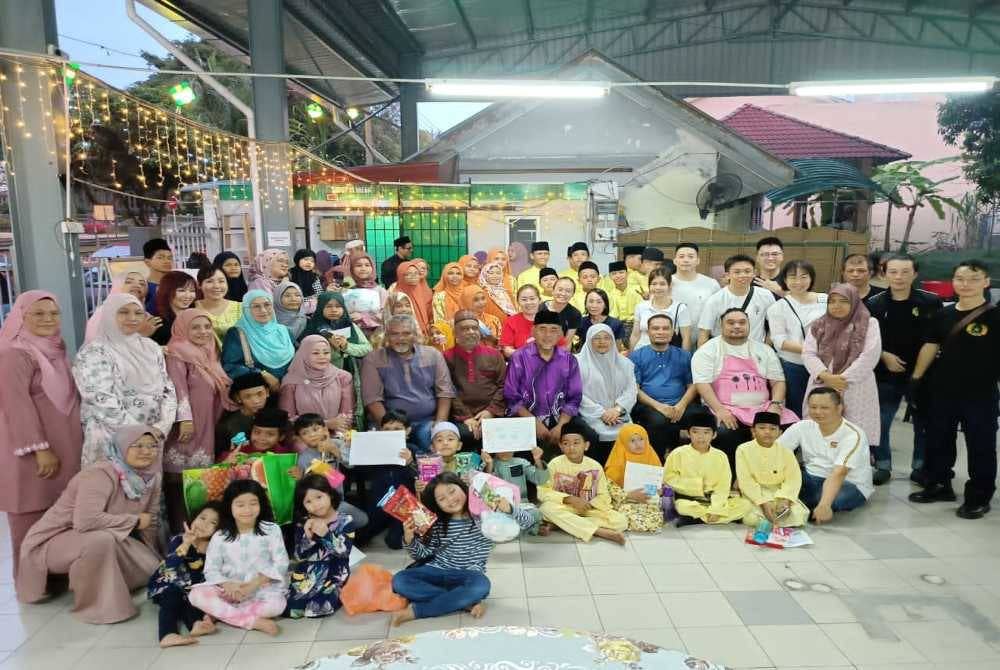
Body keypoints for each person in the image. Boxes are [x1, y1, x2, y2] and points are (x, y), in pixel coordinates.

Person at [17, 426, 162, 623]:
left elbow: (150, 522)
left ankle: (105, 583)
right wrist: (134, 521)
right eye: (138, 445)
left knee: (155, 569)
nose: (146, 451)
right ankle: (99, 607)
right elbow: (86, 521)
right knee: (100, 540)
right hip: (54, 541)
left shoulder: (151, 477)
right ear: (121, 447)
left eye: (152, 446)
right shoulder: (99, 474)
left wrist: (158, 557)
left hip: (108, 534)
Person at [0, 291, 83, 581]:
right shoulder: (14, 353)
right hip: (33, 450)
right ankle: (31, 582)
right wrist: (40, 449)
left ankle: (54, 575)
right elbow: (15, 405)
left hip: (66, 443)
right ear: (21, 317)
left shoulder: (56, 348)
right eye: (38, 314)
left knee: (58, 512)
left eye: (53, 313)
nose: (48, 319)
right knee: (30, 514)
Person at [909, 259, 1000, 519]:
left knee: (981, 445)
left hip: (980, 395)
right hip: (942, 391)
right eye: (960, 279)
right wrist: (916, 378)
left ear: (986, 282)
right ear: (953, 282)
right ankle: (939, 484)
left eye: (973, 279)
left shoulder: (995, 316)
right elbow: (930, 345)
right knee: (938, 439)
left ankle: (979, 496)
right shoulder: (943, 314)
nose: (966, 284)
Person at [391, 471, 535, 626]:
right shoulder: (435, 522)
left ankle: (419, 611)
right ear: (437, 504)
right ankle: (465, 602)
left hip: (469, 574)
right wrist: (409, 539)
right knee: (400, 580)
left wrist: (510, 509)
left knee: (481, 586)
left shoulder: (484, 516)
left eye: (452, 491)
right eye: (442, 499)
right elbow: (422, 555)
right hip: (436, 570)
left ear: (462, 487)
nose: (450, 499)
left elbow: (529, 522)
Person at [73, 293, 177, 466]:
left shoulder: (151, 347)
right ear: (109, 314)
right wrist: (140, 434)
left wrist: (162, 427)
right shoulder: (95, 351)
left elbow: (167, 388)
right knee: (110, 487)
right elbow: (100, 398)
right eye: (123, 312)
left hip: (152, 437)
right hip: (111, 436)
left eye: (138, 313)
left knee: (146, 487)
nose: (132, 318)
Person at [865, 253, 941, 485]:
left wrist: (918, 374)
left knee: (924, 423)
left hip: (924, 374)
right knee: (881, 421)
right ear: (884, 274)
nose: (899, 277)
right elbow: (867, 341)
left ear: (915, 274)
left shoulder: (930, 302)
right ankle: (883, 464)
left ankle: (920, 466)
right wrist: (884, 355)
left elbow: (934, 340)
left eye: (905, 272)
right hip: (886, 374)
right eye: (893, 272)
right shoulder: (874, 304)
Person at [692, 308, 796, 468]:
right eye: (731, 322)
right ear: (721, 325)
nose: (737, 326)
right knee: (726, 432)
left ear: (749, 325)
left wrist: (776, 404)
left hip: (763, 408)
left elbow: (778, 382)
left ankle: (775, 474)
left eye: (742, 322)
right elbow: (702, 384)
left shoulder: (764, 350)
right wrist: (720, 410)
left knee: (792, 429)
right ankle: (732, 478)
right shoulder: (708, 350)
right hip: (725, 408)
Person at [164, 309, 235, 531]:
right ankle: (180, 536)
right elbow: (178, 388)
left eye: (207, 327)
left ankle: (201, 536)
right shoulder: (177, 352)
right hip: (187, 428)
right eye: (195, 327)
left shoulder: (208, 353)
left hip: (207, 426)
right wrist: (184, 419)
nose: (203, 332)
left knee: (199, 486)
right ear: (183, 328)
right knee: (180, 483)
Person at [188, 480, 289, 635]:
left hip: (261, 589)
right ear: (230, 507)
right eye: (240, 505)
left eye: (253, 503)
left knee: (276, 606)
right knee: (195, 595)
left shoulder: (271, 530)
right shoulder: (220, 536)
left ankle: (220, 613)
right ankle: (252, 621)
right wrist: (227, 585)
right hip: (229, 591)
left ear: (261, 504)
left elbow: (281, 564)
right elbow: (211, 570)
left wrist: (254, 585)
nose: (247, 510)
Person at [802, 283, 882, 476]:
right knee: (819, 424)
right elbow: (808, 353)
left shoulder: (869, 323)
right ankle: (817, 471)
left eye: (844, 301)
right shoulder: (819, 324)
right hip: (822, 382)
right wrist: (826, 376)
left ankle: (853, 475)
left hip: (856, 385)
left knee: (854, 429)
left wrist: (842, 379)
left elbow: (870, 355)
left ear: (854, 302)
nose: (837, 306)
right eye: (832, 301)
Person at [361, 314, 456, 453]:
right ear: (387, 336)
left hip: (426, 421)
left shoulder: (432, 355)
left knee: (434, 441)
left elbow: (445, 392)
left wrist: (439, 423)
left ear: (415, 335)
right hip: (388, 423)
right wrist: (391, 428)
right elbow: (372, 398)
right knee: (389, 452)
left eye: (406, 333)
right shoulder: (374, 359)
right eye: (395, 334)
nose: (400, 339)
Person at [504, 310, 590, 457]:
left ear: (561, 334)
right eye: (542, 329)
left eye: (553, 330)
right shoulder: (519, 358)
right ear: (533, 331)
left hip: (561, 417)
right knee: (522, 453)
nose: (548, 335)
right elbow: (512, 396)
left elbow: (574, 397)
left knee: (590, 437)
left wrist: (561, 425)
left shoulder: (569, 360)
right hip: (525, 417)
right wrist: (534, 424)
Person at [780, 388, 872, 522]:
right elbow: (776, 452)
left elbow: (839, 473)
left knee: (834, 499)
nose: (818, 412)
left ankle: (803, 503)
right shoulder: (802, 427)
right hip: (810, 477)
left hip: (848, 484)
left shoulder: (853, 434)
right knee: (780, 476)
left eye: (824, 408)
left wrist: (825, 505)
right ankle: (801, 503)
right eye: (813, 407)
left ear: (839, 408)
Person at [537, 418, 628, 544]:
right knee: (546, 509)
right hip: (565, 506)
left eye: (576, 443)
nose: (571, 447)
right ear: (560, 446)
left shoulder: (595, 466)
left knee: (620, 521)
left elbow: (604, 497)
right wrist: (570, 499)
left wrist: (587, 504)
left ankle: (560, 524)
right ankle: (599, 532)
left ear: (586, 445)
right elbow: (543, 492)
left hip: (588, 508)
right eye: (566, 443)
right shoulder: (555, 464)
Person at [147, 502, 223, 647]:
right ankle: (167, 634)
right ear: (193, 519)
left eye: (213, 523)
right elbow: (170, 565)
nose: (204, 524)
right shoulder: (179, 539)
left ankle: (196, 624)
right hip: (166, 584)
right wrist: (187, 544)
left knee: (191, 598)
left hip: (191, 588)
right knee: (174, 596)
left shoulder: (214, 548)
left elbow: (203, 577)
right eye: (202, 518)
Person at [629, 314, 699, 459]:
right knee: (657, 420)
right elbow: (634, 388)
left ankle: (690, 463)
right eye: (655, 328)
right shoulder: (636, 356)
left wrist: (681, 405)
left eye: (665, 328)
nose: (660, 332)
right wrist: (659, 407)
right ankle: (656, 462)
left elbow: (693, 385)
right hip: (649, 405)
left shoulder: (684, 356)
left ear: (673, 331)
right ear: (648, 332)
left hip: (680, 405)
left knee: (702, 418)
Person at [285, 474, 354, 619]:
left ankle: (338, 593)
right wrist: (308, 538)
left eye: (319, 497)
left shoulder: (345, 520)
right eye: (308, 501)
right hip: (309, 572)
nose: (315, 504)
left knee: (317, 608)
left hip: (335, 572)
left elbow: (344, 552)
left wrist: (326, 534)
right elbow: (298, 556)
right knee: (292, 610)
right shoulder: (303, 523)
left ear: (329, 494)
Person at [664, 412, 751, 526]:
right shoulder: (678, 453)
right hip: (689, 500)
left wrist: (716, 509)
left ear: (714, 435)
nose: (701, 437)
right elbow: (668, 479)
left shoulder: (720, 456)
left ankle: (699, 519)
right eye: (695, 432)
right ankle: (718, 518)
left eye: (706, 432)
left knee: (745, 505)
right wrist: (696, 485)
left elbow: (723, 486)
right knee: (681, 507)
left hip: (714, 500)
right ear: (689, 433)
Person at [302, 292, 372, 429]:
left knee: (349, 409)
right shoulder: (313, 327)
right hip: (320, 380)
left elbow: (367, 348)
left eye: (338, 306)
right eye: (328, 306)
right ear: (320, 307)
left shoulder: (351, 326)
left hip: (349, 373)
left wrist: (346, 346)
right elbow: (304, 354)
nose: (334, 310)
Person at [766, 260, 827, 418]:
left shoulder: (825, 299)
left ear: (811, 278)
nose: (798, 282)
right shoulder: (777, 308)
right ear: (784, 280)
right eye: (792, 277)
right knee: (797, 408)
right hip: (795, 367)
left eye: (803, 277)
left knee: (825, 407)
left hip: (826, 365)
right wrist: (812, 351)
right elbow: (780, 341)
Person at [444, 310, 507, 451]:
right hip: (461, 416)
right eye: (465, 329)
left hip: (492, 413)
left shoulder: (494, 354)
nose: (471, 332)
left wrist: (490, 411)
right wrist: (466, 417)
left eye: (474, 328)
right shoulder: (446, 357)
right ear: (455, 333)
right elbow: (448, 390)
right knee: (467, 434)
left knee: (505, 432)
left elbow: (503, 385)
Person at [735, 412, 809, 528]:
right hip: (755, 493)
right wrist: (763, 502)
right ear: (753, 431)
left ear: (780, 433)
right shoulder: (743, 449)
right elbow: (746, 480)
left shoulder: (786, 451)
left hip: (779, 492)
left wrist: (785, 500)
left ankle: (777, 518)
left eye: (773, 428)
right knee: (751, 518)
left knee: (799, 515)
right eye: (762, 428)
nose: (767, 432)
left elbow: (793, 479)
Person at [575, 323, 636, 462]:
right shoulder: (577, 363)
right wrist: (602, 413)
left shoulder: (625, 363)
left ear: (613, 340)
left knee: (630, 433)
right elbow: (577, 393)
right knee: (594, 435)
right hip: (591, 415)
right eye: (597, 338)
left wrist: (617, 409)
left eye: (606, 338)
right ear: (589, 340)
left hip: (619, 414)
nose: (602, 342)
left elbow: (631, 390)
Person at [221, 290, 296, 388]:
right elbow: (230, 366)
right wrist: (262, 375)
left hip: (289, 389)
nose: (263, 310)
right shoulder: (237, 333)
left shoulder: (284, 331)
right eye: (256, 306)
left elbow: (299, 358)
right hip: (258, 395)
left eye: (267, 305)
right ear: (246, 309)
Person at [279, 335, 354, 434]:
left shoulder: (342, 377)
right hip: (303, 436)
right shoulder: (291, 381)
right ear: (304, 354)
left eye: (326, 352)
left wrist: (337, 433)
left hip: (336, 433)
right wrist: (325, 424)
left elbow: (347, 414)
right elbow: (288, 419)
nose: (322, 357)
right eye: (315, 353)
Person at [698, 254, 775, 345]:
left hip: (754, 352)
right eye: (737, 272)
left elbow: (775, 326)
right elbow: (704, 333)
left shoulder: (765, 295)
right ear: (727, 275)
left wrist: (766, 349)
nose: (742, 275)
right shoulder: (715, 300)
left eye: (747, 271)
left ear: (754, 273)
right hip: (724, 352)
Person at [603, 424, 664, 533]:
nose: (638, 444)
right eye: (632, 441)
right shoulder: (617, 460)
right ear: (624, 443)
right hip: (625, 499)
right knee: (625, 515)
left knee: (655, 516)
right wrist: (628, 495)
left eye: (641, 439)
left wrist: (658, 490)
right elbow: (609, 486)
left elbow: (658, 480)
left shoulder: (651, 455)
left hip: (646, 498)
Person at [479, 446, 548, 535]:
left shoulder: (521, 462)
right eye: (501, 447)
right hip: (497, 506)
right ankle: (525, 527)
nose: (505, 451)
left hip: (520, 505)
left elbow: (540, 480)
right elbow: (483, 487)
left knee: (535, 513)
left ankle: (511, 527)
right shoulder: (490, 463)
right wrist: (489, 464)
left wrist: (538, 460)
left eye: (508, 447)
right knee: (484, 516)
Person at [85, 271, 158, 342]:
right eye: (128, 282)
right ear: (117, 286)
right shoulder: (105, 312)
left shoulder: (146, 316)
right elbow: (100, 347)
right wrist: (140, 334)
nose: (137, 285)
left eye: (142, 284)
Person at [631, 268, 691, 351]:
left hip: (668, 355)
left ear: (669, 286)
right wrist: (631, 357)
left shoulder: (680, 308)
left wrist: (685, 359)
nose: (657, 287)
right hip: (641, 353)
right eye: (654, 284)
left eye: (662, 284)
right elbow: (635, 335)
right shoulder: (641, 306)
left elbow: (686, 338)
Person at [215, 372, 270, 456]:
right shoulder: (228, 424)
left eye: (260, 394)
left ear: (267, 392)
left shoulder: (274, 416)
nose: (256, 401)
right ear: (238, 398)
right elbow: (222, 455)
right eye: (248, 396)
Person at [671, 242, 721, 332]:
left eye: (691, 257)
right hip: (672, 338)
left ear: (698, 261)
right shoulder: (666, 283)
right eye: (681, 256)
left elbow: (718, 313)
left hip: (703, 336)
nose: (686, 260)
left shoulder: (711, 284)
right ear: (675, 261)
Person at [195, 265, 243, 346]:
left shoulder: (241, 308)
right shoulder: (192, 308)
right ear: (199, 285)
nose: (216, 286)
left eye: (221, 281)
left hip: (236, 357)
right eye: (209, 281)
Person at [342, 253, 389, 336]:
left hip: (375, 335)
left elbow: (386, 315)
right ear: (351, 268)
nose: (363, 268)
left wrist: (363, 317)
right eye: (358, 265)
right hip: (350, 334)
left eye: (367, 265)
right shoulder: (345, 289)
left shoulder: (380, 291)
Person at [151, 270, 198, 345]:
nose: (188, 296)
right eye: (181, 290)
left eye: (192, 291)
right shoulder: (158, 323)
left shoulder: (197, 315)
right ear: (167, 291)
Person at [602, 260, 643, 342]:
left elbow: (641, 312)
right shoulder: (609, 294)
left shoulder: (637, 290)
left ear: (627, 274)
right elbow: (613, 317)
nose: (618, 276)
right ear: (610, 276)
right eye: (614, 274)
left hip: (636, 324)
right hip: (618, 325)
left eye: (621, 272)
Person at [499, 284, 545, 357]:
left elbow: (560, 347)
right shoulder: (511, 321)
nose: (528, 302)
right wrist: (526, 355)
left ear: (540, 300)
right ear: (518, 302)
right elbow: (507, 350)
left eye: (532, 298)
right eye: (524, 299)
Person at [539, 276, 581, 347]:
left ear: (573, 294)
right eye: (560, 290)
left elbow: (567, 342)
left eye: (568, 291)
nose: (563, 294)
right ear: (553, 290)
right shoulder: (540, 308)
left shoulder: (575, 314)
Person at [395, 260, 434, 335]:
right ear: (401, 275)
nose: (413, 276)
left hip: (424, 333)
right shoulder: (397, 295)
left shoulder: (418, 290)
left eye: (416, 273)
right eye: (408, 274)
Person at [143, 238, 174, 315]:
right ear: (147, 262)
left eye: (169, 258)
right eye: (160, 257)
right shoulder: (143, 288)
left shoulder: (176, 285)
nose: (167, 261)